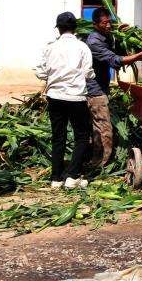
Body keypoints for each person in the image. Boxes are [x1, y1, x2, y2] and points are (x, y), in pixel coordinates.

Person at [85, 6, 142, 169]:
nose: (108, 26)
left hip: (101, 88)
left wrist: (124, 34)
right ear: (95, 24)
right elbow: (115, 60)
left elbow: (119, 50)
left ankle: (95, 158)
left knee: (98, 126)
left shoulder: (106, 37)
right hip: (95, 92)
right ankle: (101, 164)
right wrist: (139, 56)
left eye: (110, 22)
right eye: (104, 23)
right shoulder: (94, 42)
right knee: (104, 128)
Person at [35, 12, 94, 189]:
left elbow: (40, 72)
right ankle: (73, 176)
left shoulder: (50, 47)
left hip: (55, 97)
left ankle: (56, 178)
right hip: (76, 97)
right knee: (82, 136)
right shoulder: (82, 47)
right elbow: (88, 73)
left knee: (58, 136)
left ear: (58, 29)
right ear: (75, 28)